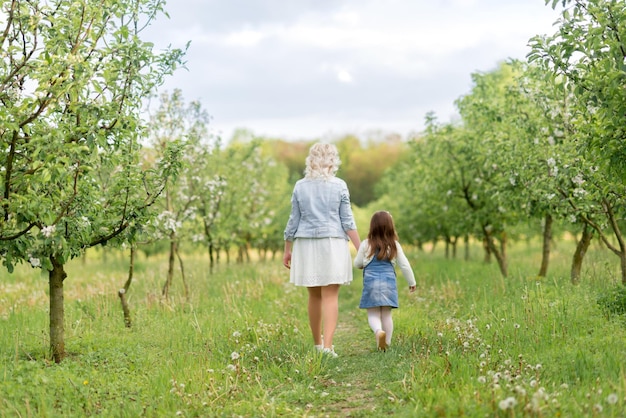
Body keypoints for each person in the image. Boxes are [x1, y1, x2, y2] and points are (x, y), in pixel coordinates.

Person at [283, 143, 361, 357]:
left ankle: (318, 345)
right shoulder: (339, 185)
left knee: (314, 296)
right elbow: (347, 221)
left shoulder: (300, 186)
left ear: (311, 160)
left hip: (306, 244)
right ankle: (328, 348)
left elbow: (293, 220)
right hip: (332, 243)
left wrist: (287, 247)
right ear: (332, 160)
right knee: (330, 296)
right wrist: (361, 248)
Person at [354, 210, 416, 351]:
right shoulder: (394, 245)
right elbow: (404, 265)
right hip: (388, 281)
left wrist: (363, 263)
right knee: (386, 314)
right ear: (390, 226)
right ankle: (386, 342)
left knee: (373, 313)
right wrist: (411, 282)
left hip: (371, 282)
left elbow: (357, 263)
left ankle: (378, 331)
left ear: (372, 226)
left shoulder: (366, 244)